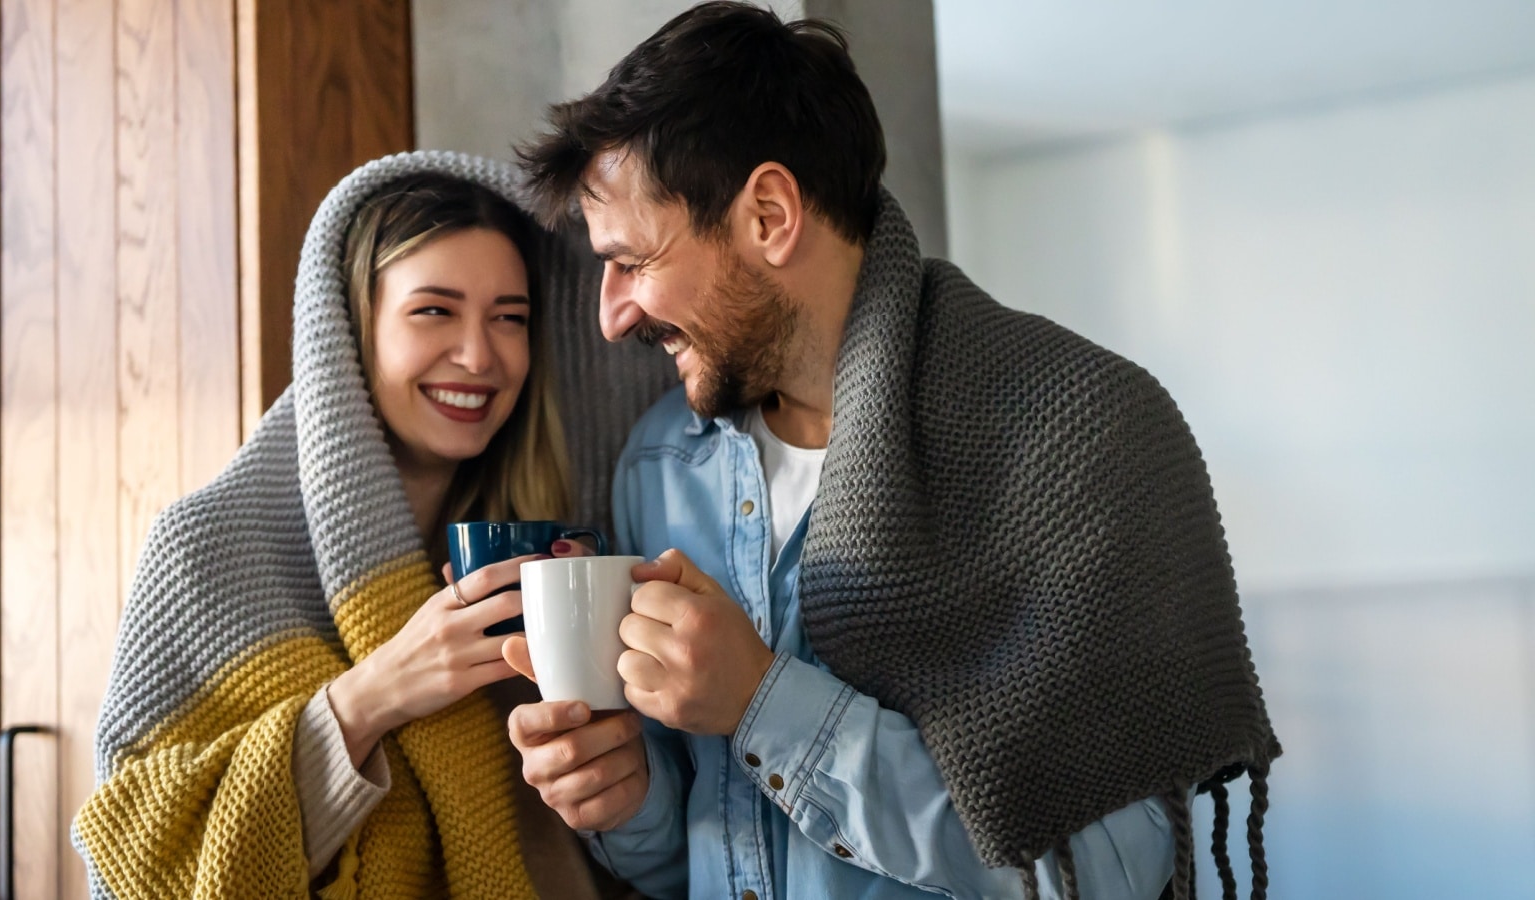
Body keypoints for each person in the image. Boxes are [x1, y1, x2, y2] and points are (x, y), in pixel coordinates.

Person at [501, 4, 1281, 900]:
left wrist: (768, 706)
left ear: (767, 214)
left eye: (631, 259)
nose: (610, 314)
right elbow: (702, 861)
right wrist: (626, 803)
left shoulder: (1082, 436)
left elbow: (1115, 868)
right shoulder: (659, 467)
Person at [74, 152, 630, 899]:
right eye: (434, 310)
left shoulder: (552, 552)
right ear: (350, 327)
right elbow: (133, 856)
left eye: (511, 318)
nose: (478, 355)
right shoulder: (205, 551)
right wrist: (372, 696)